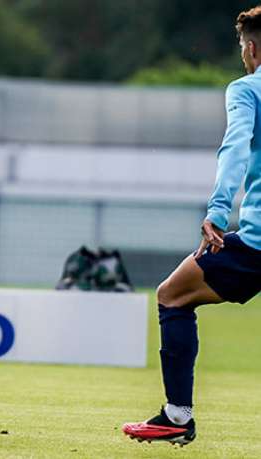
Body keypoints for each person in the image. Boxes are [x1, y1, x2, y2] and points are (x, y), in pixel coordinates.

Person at [122, 6, 261, 446]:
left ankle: (177, 415)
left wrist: (217, 214)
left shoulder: (247, 90)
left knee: (172, 295)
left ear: (252, 48)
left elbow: (235, 149)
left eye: (243, 48)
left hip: (257, 241)